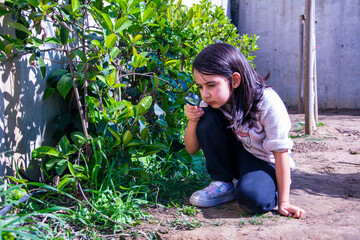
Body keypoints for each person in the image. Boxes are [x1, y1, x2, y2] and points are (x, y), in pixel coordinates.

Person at [184, 42, 305, 218]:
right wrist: (193, 121)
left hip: (265, 159)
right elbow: (191, 149)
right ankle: (223, 184)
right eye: (200, 87)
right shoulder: (212, 103)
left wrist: (284, 202)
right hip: (240, 153)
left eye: (211, 85)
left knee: (253, 200)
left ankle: (270, 187)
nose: (205, 94)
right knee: (207, 117)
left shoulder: (267, 102)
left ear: (234, 80)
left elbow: (280, 153)